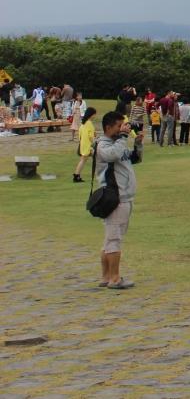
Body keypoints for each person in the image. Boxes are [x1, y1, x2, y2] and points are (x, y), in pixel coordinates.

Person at [95, 111, 142, 290]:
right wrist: (123, 137)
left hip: (123, 197)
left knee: (110, 239)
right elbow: (112, 155)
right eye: (118, 126)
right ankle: (114, 278)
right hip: (115, 198)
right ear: (108, 128)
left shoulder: (117, 143)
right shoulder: (103, 145)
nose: (122, 128)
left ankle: (106, 276)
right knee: (113, 239)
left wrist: (138, 144)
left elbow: (132, 158)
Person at [73, 106, 97, 182]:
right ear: (91, 115)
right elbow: (91, 136)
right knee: (97, 159)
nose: (95, 116)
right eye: (94, 114)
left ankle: (76, 175)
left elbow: (80, 134)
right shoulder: (89, 123)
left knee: (83, 160)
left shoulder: (83, 124)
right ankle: (76, 176)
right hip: (88, 145)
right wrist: (95, 144)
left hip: (83, 144)